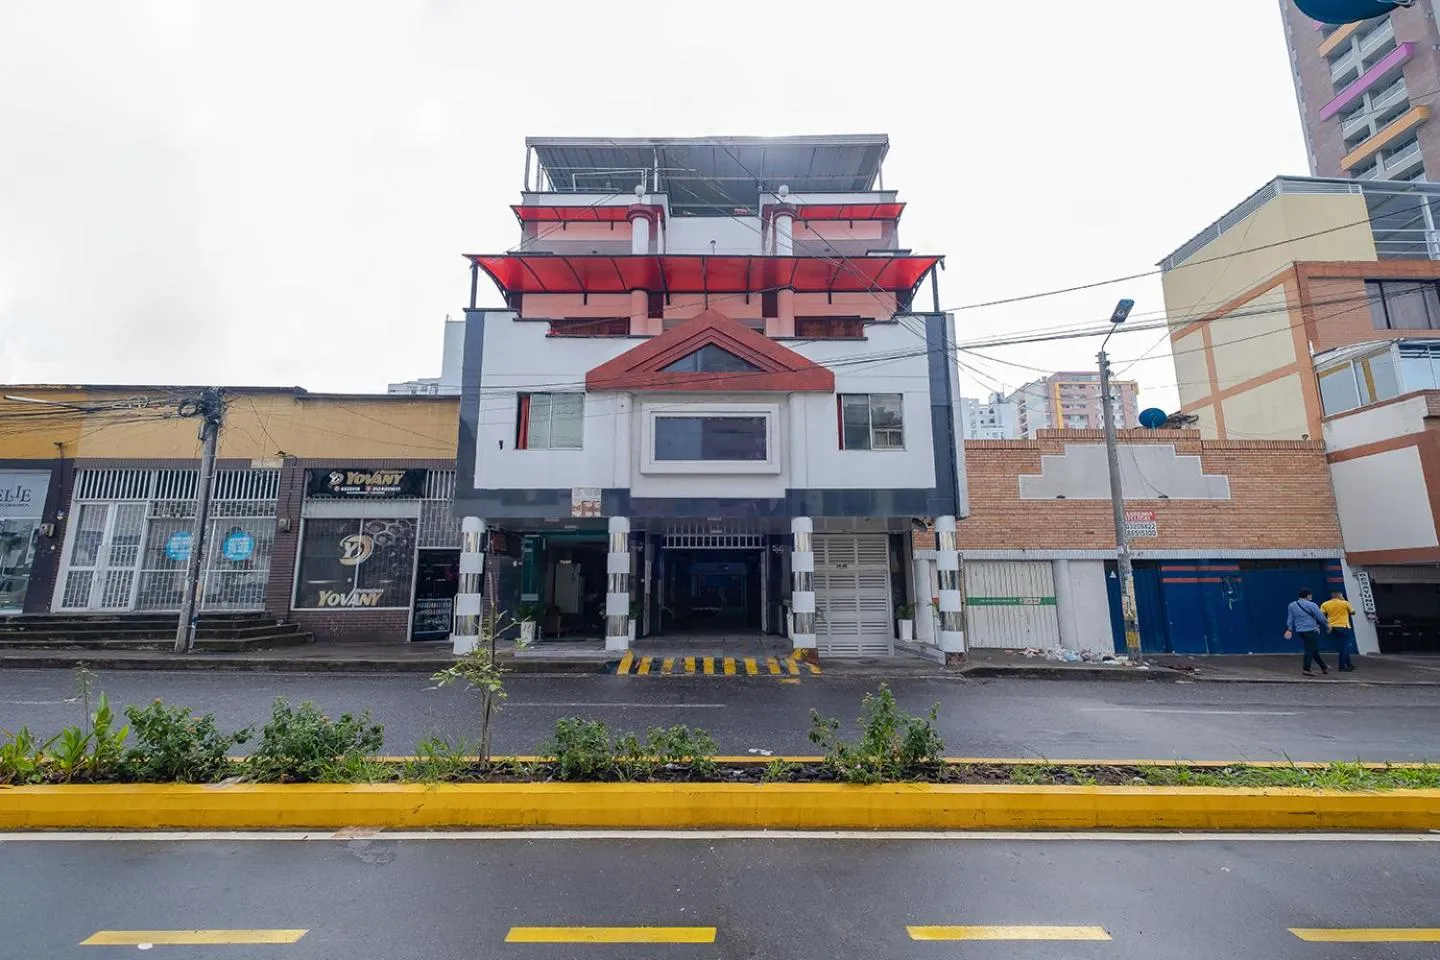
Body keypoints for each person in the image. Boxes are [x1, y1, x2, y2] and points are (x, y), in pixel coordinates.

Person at [1285, 588, 1330, 676]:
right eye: (1310, 594)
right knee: (1309, 650)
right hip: (1311, 630)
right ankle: (1306, 669)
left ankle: (1324, 667)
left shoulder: (1291, 605)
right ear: (1308, 595)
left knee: (1314, 649)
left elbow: (1290, 618)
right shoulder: (1312, 605)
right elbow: (1320, 616)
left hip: (1300, 631)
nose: (1311, 596)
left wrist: (1289, 628)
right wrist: (1327, 624)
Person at [1321, 590, 1359, 672]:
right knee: (1343, 648)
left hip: (1332, 627)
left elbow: (1321, 614)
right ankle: (1342, 666)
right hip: (1343, 626)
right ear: (1339, 595)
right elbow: (1353, 612)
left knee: (1343, 646)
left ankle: (1349, 664)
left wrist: (1327, 624)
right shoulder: (1345, 603)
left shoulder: (1325, 604)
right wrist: (1344, 601)